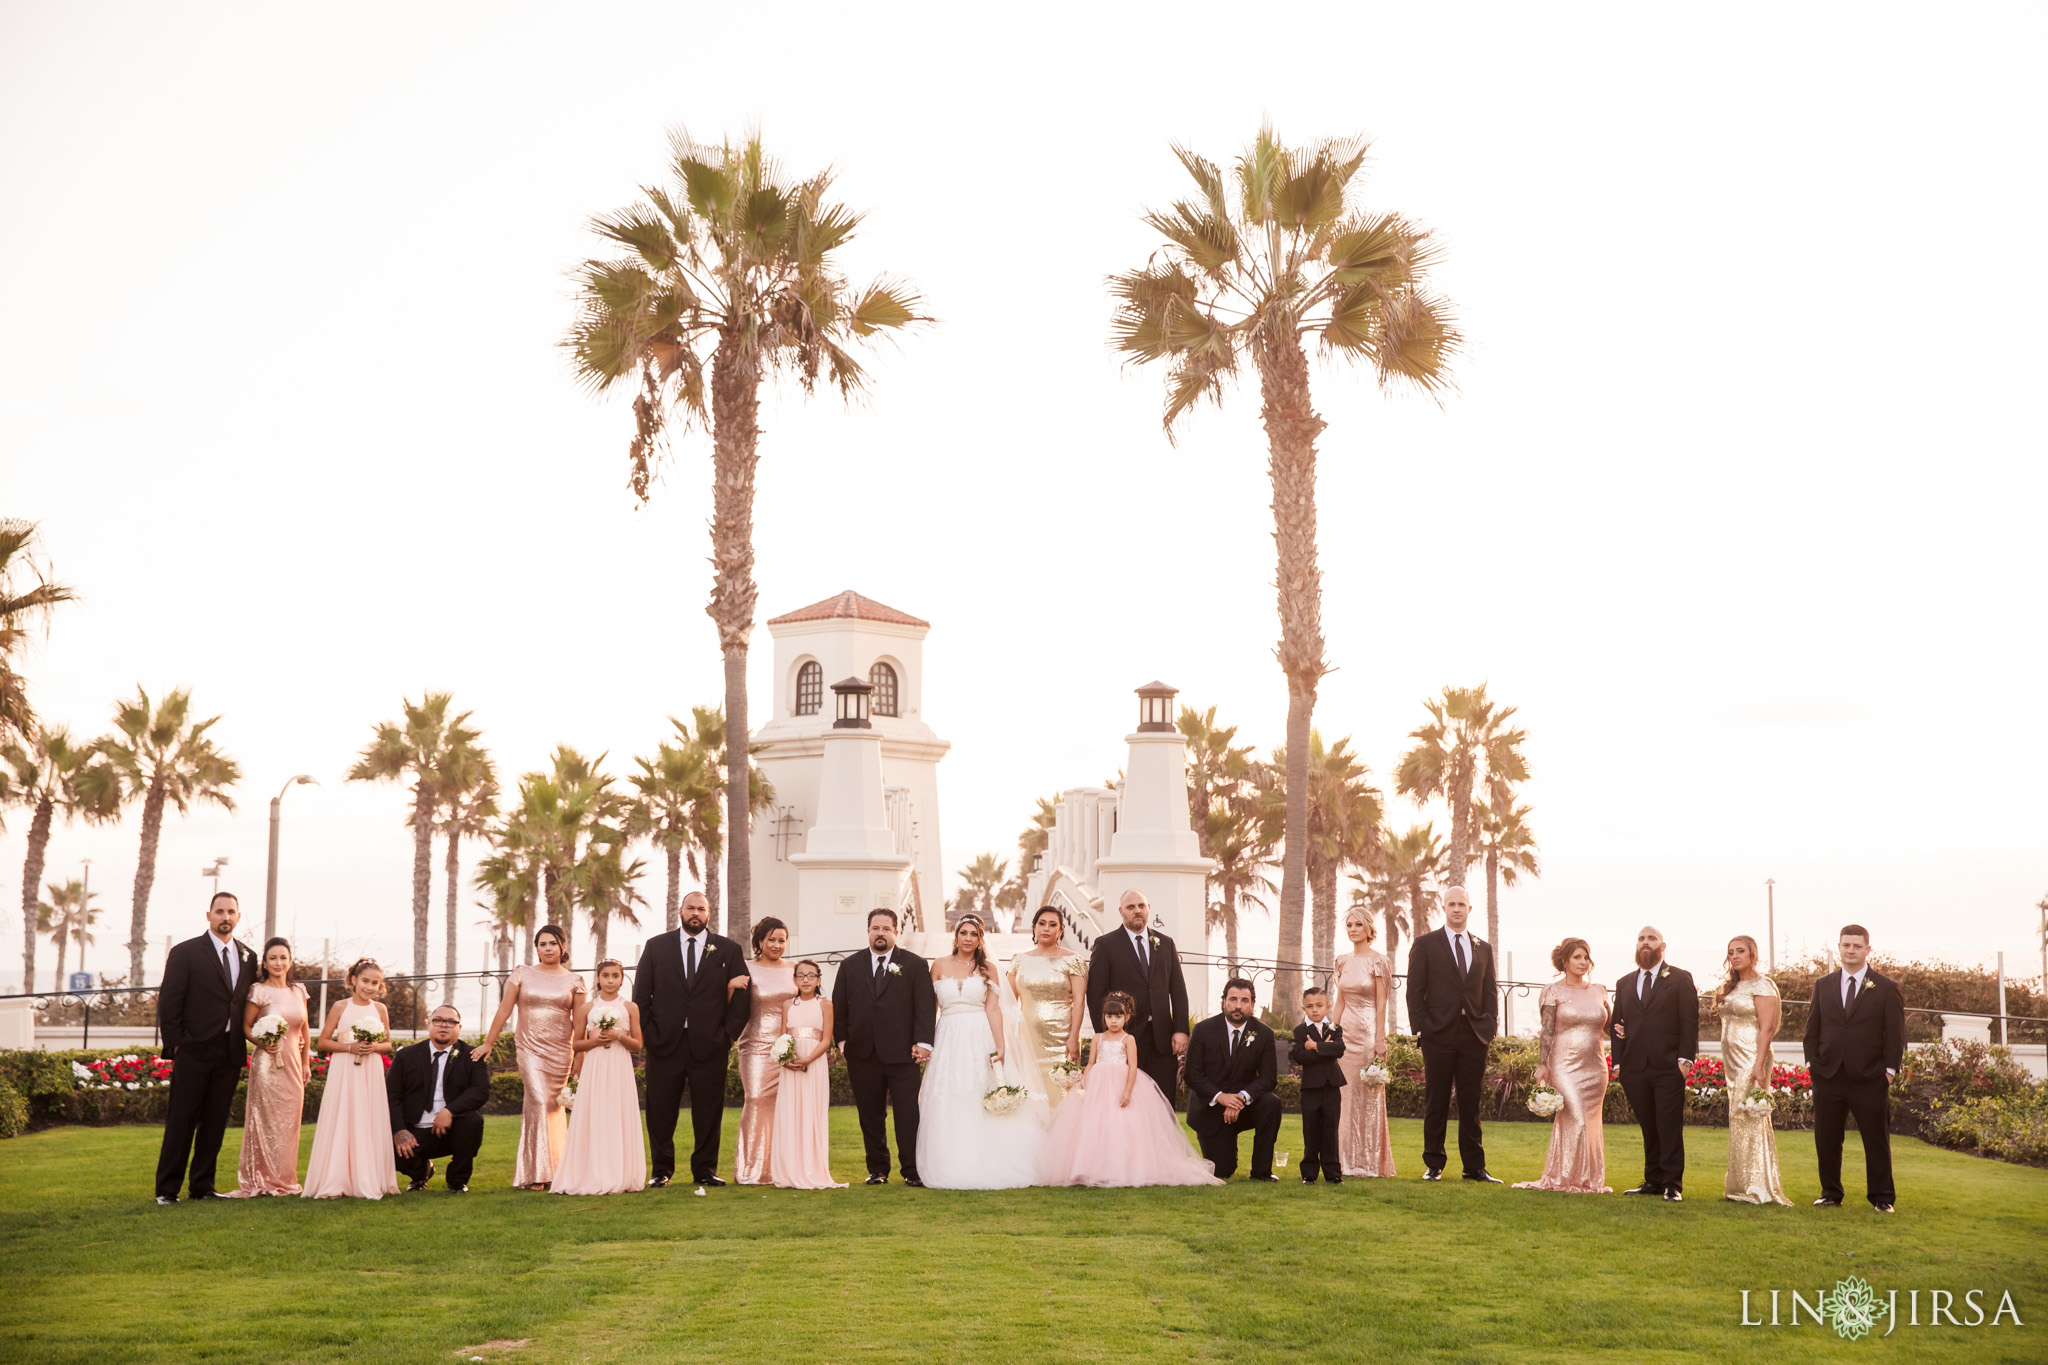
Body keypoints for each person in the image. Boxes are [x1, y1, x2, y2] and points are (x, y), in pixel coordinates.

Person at [915, 913, 1047, 1189]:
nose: (968, 938)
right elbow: (931, 1009)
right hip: (949, 1035)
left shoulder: (988, 967)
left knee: (980, 1091)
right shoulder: (938, 965)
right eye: (963, 933)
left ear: (980, 939)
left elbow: (993, 1008)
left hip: (979, 1035)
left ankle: (995, 1160)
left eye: (974, 934)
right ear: (956, 935)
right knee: (950, 1094)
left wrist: (1000, 1044)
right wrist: (925, 1041)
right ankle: (951, 1161)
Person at [1038, 990, 1220, 1188]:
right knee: (1094, 1124)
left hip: (1120, 1082)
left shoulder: (1128, 1039)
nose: (1113, 1021)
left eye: (1118, 1016)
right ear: (1104, 1017)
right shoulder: (1098, 1038)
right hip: (1098, 1083)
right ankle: (1090, 1167)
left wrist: (1127, 1090)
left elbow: (1132, 1066)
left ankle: (1120, 1168)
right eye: (1109, 1016)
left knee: (1120, 1123)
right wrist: (1084, 1079)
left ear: (1126, 1017)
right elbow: (1090, 1063)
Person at [631, 891, 751, 1188]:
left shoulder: (727, 949)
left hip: (710, 1044)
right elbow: (640, 995)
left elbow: (743, 996)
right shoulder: (656, 947)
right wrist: (649, 1034)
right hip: (665, 1043)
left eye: (701, 908)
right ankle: (661, 1170)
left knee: (709, 1110)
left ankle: (705, 1170)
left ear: (709, 913)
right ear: (680, 911)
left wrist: (727, 1036)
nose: (695, 913)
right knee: (660, 1109)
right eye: (690, 908)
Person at [154, 892, 260, 1204]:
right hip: (193, 1050)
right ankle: (167, 1190)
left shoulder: (248, 956)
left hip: (228, 1052)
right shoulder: (186, 952)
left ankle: (203, 1187)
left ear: (238, 917)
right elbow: (170, 999)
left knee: (214, 1123)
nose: (225, 917)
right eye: (219, 911)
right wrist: (175, 1043)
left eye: (231, 912)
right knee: (181, 1121)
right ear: (209, 915)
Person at [474, 923, 586, 1189]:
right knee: (536, 1099)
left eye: (553, 943)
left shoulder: (575, 981)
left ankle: (556, 1170)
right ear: (536, 948)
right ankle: (537, 1174)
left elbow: (580, 1022)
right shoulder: (522, 974)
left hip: (561, 1050)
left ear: (563, 946)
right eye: (542, 944)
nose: (548, 948)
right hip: (529, 1048)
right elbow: (504, 1010)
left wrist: (580, 1057)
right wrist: (488, 1042)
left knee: (553, 1106)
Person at [1804, 924, 1904, 1213]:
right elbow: (1813, 1028)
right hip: (1829, 1074)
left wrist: (1889, 1072)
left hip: (1870, 1077)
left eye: (1857, 946)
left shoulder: (1886, 987)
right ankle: (1830, 1192)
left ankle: (1882, 1197)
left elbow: (1895, 1034)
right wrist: (1813, 1063)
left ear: (1867, 950)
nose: (1850, 950)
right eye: (1846, 945)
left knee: (1876, 1140)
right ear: (1839, 947)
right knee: (1827, 1138)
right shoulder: (1823, 985)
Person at [832, 907, 936, 1186]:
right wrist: (842, 1042)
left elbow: (924, 1006)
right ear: (868, 931)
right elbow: (839, 1006)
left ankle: (912, 1171)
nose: (880, 933)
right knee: (870, 1115)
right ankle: (878, 1170)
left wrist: (924, 1043)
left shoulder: (914, 964)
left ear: (896, 932)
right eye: (875, 928)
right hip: (862, 1053)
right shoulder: (849, 965)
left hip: (903, 1054)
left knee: (907, 1114)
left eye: (886, 928)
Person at [1405, 885, 1501, 1183]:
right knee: (1437, 1100)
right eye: (1452, 904)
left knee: (1471, 1103)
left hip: (1474, 1035)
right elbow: (1414, 990)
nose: (1457, 908)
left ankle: (1474, 1167)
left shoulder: (1482, 947)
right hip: (1438, 1034)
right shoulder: (1425, 944)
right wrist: (1423, 1027)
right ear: (1443, 908)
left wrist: (1489, 1025)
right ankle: (1434, 1164)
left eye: (1462, 904)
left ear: (1469, 909)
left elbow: (1489, 991)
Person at [1513, 938, 1612, 1194]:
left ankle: (1589, 1180)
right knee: (1575, 1119)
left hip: (1596, 1067)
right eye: (1577, 957)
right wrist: (1542, 1065)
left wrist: (1621, 1029)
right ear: (1565, 961)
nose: (1582, 962)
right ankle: (1565, 1178)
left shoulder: (1600, 990)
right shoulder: (1552, 991)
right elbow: (1547, 1031)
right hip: (1565, 1067)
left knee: (1590, 1123)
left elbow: (1608, 1026)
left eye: (1586, 957)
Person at [1608, 924, 1698, 1201]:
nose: (1645, 943)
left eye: (1651, 938)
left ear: (1662, 945)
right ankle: (1653, 1180)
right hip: (1634, 1068)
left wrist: (1685, 1060)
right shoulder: (1624, 983)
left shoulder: (1680, 978)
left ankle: (1672, 1184)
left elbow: (1689, 1021)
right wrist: (1618, 1063)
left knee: (1669, 1125)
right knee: (1648, 1125)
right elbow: (1617, 1025)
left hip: (1669, 1066)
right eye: (1641, 939)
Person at [302, 958, 397, 1199]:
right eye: (365, 981)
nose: (370, 987)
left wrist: (373, 1046)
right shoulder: (340, 1007)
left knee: (367, 1117)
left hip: (370, 1070)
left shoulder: (380, 1009)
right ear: (353, 980)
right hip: (345, 1068)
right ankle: (336, 1178)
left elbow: (388, 1044)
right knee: (344, 1116)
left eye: (375, 983)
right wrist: (350, 1048)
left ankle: (369, 1178)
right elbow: (322, 1042)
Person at [1085, 889, 1190, 1104]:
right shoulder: (1106, 944)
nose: (1137, 911)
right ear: (1121, 911)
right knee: (1127, 1102)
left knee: (1163, 1101)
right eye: (1131, 907)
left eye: (1141, 906)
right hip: (1124, 1037)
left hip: (1162, 1039)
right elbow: (1095, 994)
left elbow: (1178, 990)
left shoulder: (1166, 943)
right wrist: (1106, 1036)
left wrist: (1180, 1029)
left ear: (1148, 908)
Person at [553, 960, 647, 1196]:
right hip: (595, 1066)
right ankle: (591, 1171)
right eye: (605, 976)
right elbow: (577, 1043)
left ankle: (620, 1172)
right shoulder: (586, 1008)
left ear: (622, 978)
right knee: (595, 1114)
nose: (610, 980)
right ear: (598, 978)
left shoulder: (631, 1008)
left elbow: (637, 1044)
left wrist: (618, 1036)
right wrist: (595, 1041)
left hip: (619, 1066)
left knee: (617, 1113)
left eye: (615, 976)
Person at [228, 936, 311, 1197]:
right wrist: (262, 1044)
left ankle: (286, 1178)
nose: (278, 962)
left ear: (290, 960)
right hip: (267, 1066)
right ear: (264, 962)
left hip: (294, 1066)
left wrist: (307, 1061)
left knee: (290, 1123)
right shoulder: (258, 991)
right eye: (273, 958)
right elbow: (246, 1026)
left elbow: (305, 1029)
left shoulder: (299, 991)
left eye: (283, 957)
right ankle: (263, 1179)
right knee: (267, 1123)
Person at [1183, 978, 1281, 1182]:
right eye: (1233, 999)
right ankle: (1225, 1150)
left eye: (1244, 1000)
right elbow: (1192, 1074)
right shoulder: (1203, 1030)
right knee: (1222, 1171)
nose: (1238, 1005)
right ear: (1224, 1002)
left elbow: (1268, 1078)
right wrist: (1221, 1097)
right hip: (1211, 1108)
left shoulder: (1264, 1034)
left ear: (1252, 1005)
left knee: (1271, 1103)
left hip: (1245, 1107)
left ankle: (1261, 1172)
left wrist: (1241, 1099)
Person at [1718, 934, 1791, 1206]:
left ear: (1753, 955)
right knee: (1738, 1117)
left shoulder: (1763, 985)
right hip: (1733, 1062)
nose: (1735, 956)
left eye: (1741, 951)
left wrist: (1759, 1065)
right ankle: (1739, 1184)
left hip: (1751, 1058)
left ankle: (1758, 1186)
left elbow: (1767, 1028)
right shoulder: (1734, 986)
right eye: (1731, 952)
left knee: (1748, 1115)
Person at [386, 1004, 491, 1193]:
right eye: (438, 1020)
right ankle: (420, 1173)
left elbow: (480, 1091)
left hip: (453, 1130)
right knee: (390, 1153)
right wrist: (400, 1130)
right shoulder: (405, 1056)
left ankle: (457, 1180)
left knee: (472, 1120)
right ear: (429, 1024)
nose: (444, 1025)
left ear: (459, 1028)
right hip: (415, 1130)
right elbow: (392, 1096)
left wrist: (449, 1110)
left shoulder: (472, 1055)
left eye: (451, 1022)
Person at [1332, 907, 1395, 1178]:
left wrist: (1380, 1038)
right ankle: (1343, 1160)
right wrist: (1330, 1034)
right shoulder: (1341, 961)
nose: (1353, 929)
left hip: (1368, 1035)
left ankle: (1368, 1162)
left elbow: (1382, 1003)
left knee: (1368, 1097)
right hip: (1344, 1035)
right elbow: (1339, 1000)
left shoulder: (1380, 961)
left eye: (1358, 924)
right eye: (1349, 924)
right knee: (1344, 1096)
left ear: (1369, 929)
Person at [770, 959, 844, 1190]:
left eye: (810, 975)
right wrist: (786, 1058)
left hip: (813, 1063)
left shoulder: (826, 1005)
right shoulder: (787, 1005)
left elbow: (826, 1039)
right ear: (794, 980)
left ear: (819, 979)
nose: (805, 980)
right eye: (800, 976)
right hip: (791, 1065)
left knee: (811, 1111)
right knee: (791, 1113)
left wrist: (808, 1059)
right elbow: (782, 1036)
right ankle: (789, 1170)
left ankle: (812, 1168)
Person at [734, 917, 795, 1185]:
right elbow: (731, 1005)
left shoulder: (795, 969)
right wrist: (729, 987)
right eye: (771, 939)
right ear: (759, 941)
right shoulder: (746, 969)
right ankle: (753, 1169)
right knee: (757, 1099)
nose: (777, 945)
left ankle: (786, 1168)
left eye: (782, 940)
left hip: (791, 1045)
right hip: (755, 1046)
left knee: (788, 1105)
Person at [1009, 906, 1087, 1109]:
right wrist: (1010, 1040)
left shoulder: (1073, 960)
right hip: (1027, 1038)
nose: (1047, 928)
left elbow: (1079, 1001)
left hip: (1061, 1040)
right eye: (1042, 923)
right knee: (1030, 1092)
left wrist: (1073, 1037)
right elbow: (1009, 1003)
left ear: (1061, 931)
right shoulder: (1018, 960)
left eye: (1053, 925)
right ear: (1034, 928)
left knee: (1061, 1092)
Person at [1290, 986, 1346, 1185]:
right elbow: (1298, 1056)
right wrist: (1325, 1049)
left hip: (1332, 1086)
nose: (1315, 1010)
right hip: (1311, 1088)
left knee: (1331, 1129)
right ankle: (1309, 1173)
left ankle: (1333, 1173)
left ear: (1328, 1006)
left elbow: (1339, 1049)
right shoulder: (1300, 1031)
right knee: (1311, 1129)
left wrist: (1315, 1046)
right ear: (1303, 1008)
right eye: (1310, 1006)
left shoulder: (1334, 1029)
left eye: (1319, 1006)